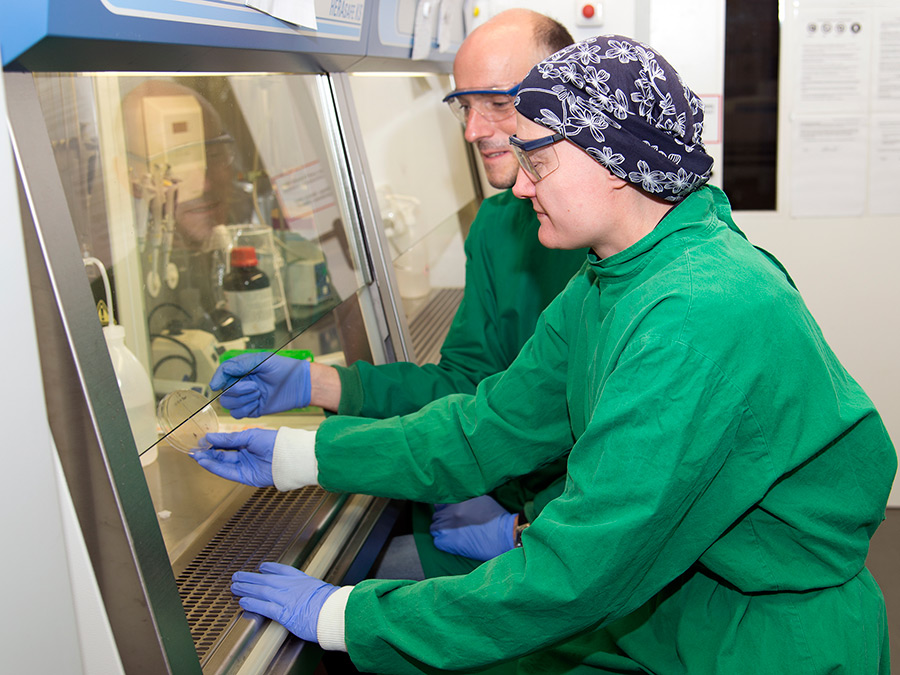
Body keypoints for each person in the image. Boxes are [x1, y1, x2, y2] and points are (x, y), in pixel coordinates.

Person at [192, 34, 896, 673]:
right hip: (679, 610)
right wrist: (301, 454)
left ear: (616, 161)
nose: (520, 183)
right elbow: (486, 426)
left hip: (765, 643)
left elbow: (579, 572)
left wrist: (346, 615)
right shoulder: (613, 276)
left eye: (539, 158)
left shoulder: (697, 309)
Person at [208, 9, 586, 579]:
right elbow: (471, 385)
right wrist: (321, 382)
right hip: (508, 492)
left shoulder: (617, 257)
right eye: (464, 106)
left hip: (571, 539)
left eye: (498, 105)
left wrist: (523, 534)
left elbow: (627, 469)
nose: (473, 131)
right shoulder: (499, 223)